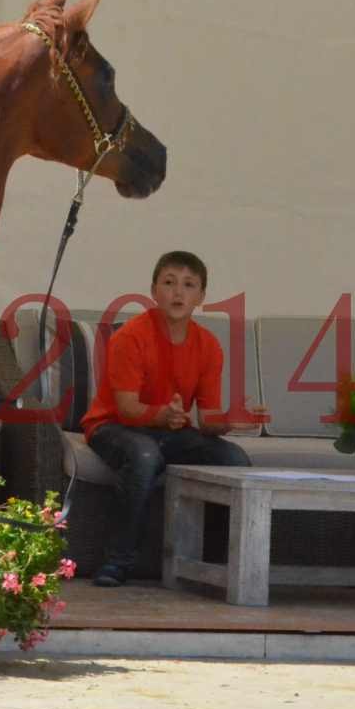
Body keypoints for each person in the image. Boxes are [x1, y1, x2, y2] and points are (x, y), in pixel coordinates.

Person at [81, 250, 268, 587]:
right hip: (113, 427)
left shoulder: (208, 345)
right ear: (153, 291)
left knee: (233, 458)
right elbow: (126, 407)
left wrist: (229, 420)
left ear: (201, 297)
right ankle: (117, 561)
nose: (178, 292)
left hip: (169, 430)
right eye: (169, 283)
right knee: (144, 455)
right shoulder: (131, 336)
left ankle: (212, 564)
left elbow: (207, 419)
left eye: (188, 285)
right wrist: (161, 415)